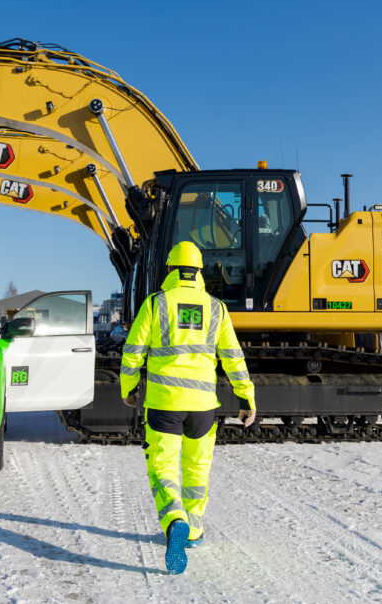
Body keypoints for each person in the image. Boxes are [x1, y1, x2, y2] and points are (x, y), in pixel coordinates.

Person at [120, 241, 256, 575]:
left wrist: (129, 388)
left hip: (165, 404)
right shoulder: (216, 307)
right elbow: (233, 357)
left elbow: (132, 351)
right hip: (203, 406)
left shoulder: (156, 303)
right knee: (197, 470)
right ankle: (194, 531)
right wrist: (246, 397)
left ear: (170, 270)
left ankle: (174, 519)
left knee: (163, 468)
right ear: (199, 271)